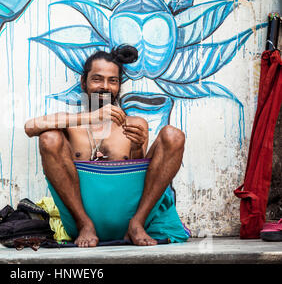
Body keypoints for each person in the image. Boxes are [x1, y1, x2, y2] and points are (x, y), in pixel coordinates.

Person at [24, 45, 186, 247]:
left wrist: (137, 148)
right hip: (81, 222)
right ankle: (85, 223)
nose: (105, 87)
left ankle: (137, 224)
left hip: (130, 220)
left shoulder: (134, 124)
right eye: (97, 79)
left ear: (119, 86)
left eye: (113, 81)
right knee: (48, 137)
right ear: (84, 82)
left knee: (173, 135)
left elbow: (137, 183)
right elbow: (30, 127)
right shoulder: (70, 124)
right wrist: (91, 117)